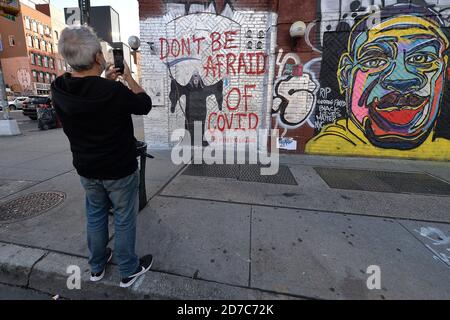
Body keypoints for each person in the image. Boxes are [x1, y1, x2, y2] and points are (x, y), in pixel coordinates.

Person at [51, 26, 153, 288]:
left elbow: (88, 97)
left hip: (87, 169)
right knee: (123, 217)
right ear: (98, 57)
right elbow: (144, 104)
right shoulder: (113, 92)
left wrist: (105, 82)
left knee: (95, 215)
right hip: (119, 169)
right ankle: (128, 270)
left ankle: (96, 266)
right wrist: (127, 78)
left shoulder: (59, 88)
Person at [306, 5, 450, 160]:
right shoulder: (331, 142)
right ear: (345, 75)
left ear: (445, 72)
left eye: (422, 59)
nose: (401, 79)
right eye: (374, 61)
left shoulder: (443, 147)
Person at [169, 70, 223, 146]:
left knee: (200, 127)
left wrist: (221, 81)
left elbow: (214, 88)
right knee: (189, 125)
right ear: (192, 79)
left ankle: (199, 141)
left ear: (199, 79)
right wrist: (173, 81)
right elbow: (179, 88)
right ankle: (188, 140)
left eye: (197, 79)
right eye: (194, 79)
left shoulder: (204, 89)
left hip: (201, 113)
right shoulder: (188, 88)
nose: (196, 80)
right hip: (190, 112)